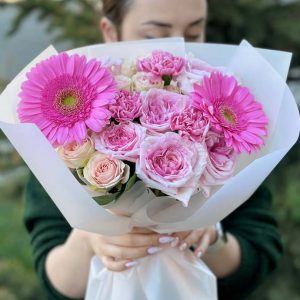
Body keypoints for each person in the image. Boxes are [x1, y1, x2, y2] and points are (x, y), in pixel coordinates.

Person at [24, 0, 283, 299]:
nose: (178, 47)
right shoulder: (63, 139)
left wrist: (209, 237)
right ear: (110, 31)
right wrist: (88, 240)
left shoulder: (223, 124)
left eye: (194, 32)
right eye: (154, 35)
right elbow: (52, 278)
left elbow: (261, 252)